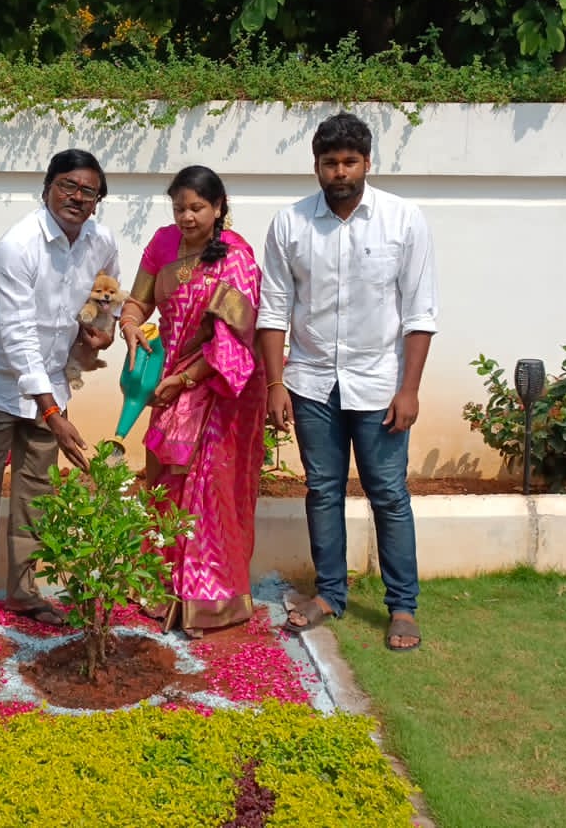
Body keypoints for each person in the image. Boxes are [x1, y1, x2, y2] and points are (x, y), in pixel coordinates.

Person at [257, 112, 439, 653]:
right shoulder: (289, 224)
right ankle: (330, 594)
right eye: (330, 162)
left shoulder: (403, 221)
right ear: (316, 166)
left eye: (349, 162)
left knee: (388, 493)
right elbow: (273, 309)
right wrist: (275, 383)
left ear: (367, 163)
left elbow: (420, 312)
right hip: (311, 381)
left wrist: (409, 389)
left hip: (380, 383)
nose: (340, 172)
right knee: (323, 491)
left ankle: (402, 605)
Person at [0, 149, 120, 649]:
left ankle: (23, 592)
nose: (77, 198)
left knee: (36, 495)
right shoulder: (17, 247)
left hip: (54, 385)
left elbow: (106, 297)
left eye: (89, 192)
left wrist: (99, 334)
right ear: (47, 188)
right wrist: (54, 415)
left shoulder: (100, 241)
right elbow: (18, 338)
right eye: (68, 186)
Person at [119, 165, 266, 638]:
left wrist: (184, 381)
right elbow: (138, 303)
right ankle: (160, 589)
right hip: (167, 387)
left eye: (197, 208)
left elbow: (234, 346)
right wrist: (129, 328)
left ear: (219, 207)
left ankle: (208, 600)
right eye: (179, 207)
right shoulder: (163, 243)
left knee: (209, 494)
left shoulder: (236, 257)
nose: (186, 217)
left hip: (218, 394)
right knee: (164, 487)